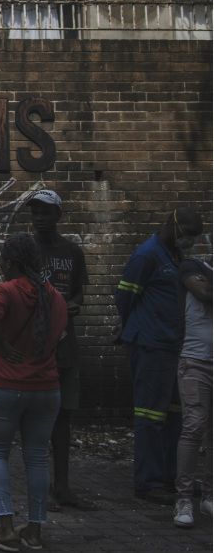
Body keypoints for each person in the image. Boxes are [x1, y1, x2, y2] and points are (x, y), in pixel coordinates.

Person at [0, 232, 68, 552]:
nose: (1, 267)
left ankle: (5, 528)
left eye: (3, 261)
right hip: (46, 388)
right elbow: (59, 334)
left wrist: (1, 343)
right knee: (37, 458)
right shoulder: (54, 296)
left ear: (12, 262)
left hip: (6, 384)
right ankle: (34, 531)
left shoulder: (7, 291)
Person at [115, 207, 204, 505]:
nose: (189, 242)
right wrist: (133, 329)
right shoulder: (147, 255)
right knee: (151, 416)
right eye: (188, 235)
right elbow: (125, 297)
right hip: (151, 346)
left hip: (174, 348)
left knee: (175, 416)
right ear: (173, 225)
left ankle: (170, 476)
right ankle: (148, 482)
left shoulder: (175, 257)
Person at [25, 189, 96, 511]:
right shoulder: (25, 250)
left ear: (58, 215)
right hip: (33, 346)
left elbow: (80, 292)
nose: (40, 218)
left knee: (63, 416)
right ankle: (37, 486)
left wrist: (73, 305)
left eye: (45, 212)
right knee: (32, 417)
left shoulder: (72, 251)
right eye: (35, 212)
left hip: (65, 345)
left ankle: (62, 485)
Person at [173, 253, 211, 528]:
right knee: (194, 426)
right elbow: (205, 292)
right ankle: (183, 499)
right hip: (195, 361)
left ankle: (209, 495)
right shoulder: (195, 266)